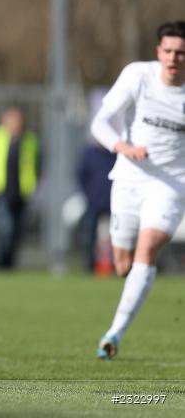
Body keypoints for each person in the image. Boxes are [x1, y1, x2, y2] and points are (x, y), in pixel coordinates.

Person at [91, 21, 185, 360]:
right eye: (168, 51)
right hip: (129, 180)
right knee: (121, 264)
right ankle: (117, 324)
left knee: (148, 249)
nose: (174, 59)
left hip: (171, 185)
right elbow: (99, 122)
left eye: (181, 53)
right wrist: (122, 146)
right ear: (158, 52)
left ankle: (114, 333)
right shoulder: (138, 76)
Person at [0, 105, 40, 269]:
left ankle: (9, 265)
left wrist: (34, 183)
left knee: (16, 232)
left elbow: (37, 164)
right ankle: (1, 262)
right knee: (5, 227)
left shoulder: (30, 140)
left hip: (21, 193)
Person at [75, 140, 115, 272]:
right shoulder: (89, 154)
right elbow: (81, 176)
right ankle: (89, 266)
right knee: (89, 237)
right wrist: (88, 194)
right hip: (93, 203)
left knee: (117, 237)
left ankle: (116, 266)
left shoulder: (115, 155)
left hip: (113, 203)